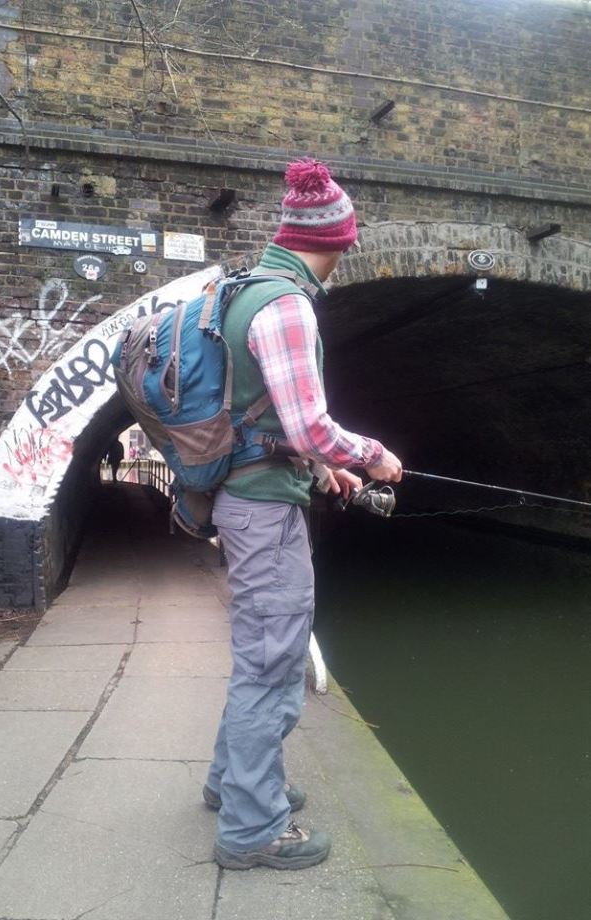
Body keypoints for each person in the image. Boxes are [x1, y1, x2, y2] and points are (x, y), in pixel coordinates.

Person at [204, 158, 403, 871]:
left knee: (257, 657)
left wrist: (327, 470)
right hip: (263, 513)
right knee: (272, 663)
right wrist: (370, 454)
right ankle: (253, 831)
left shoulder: (244, 289)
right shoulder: (286, 304)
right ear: (340, 243)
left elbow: (275, 423)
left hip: (249, 495)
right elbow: (310, 424)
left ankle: (231, 785)